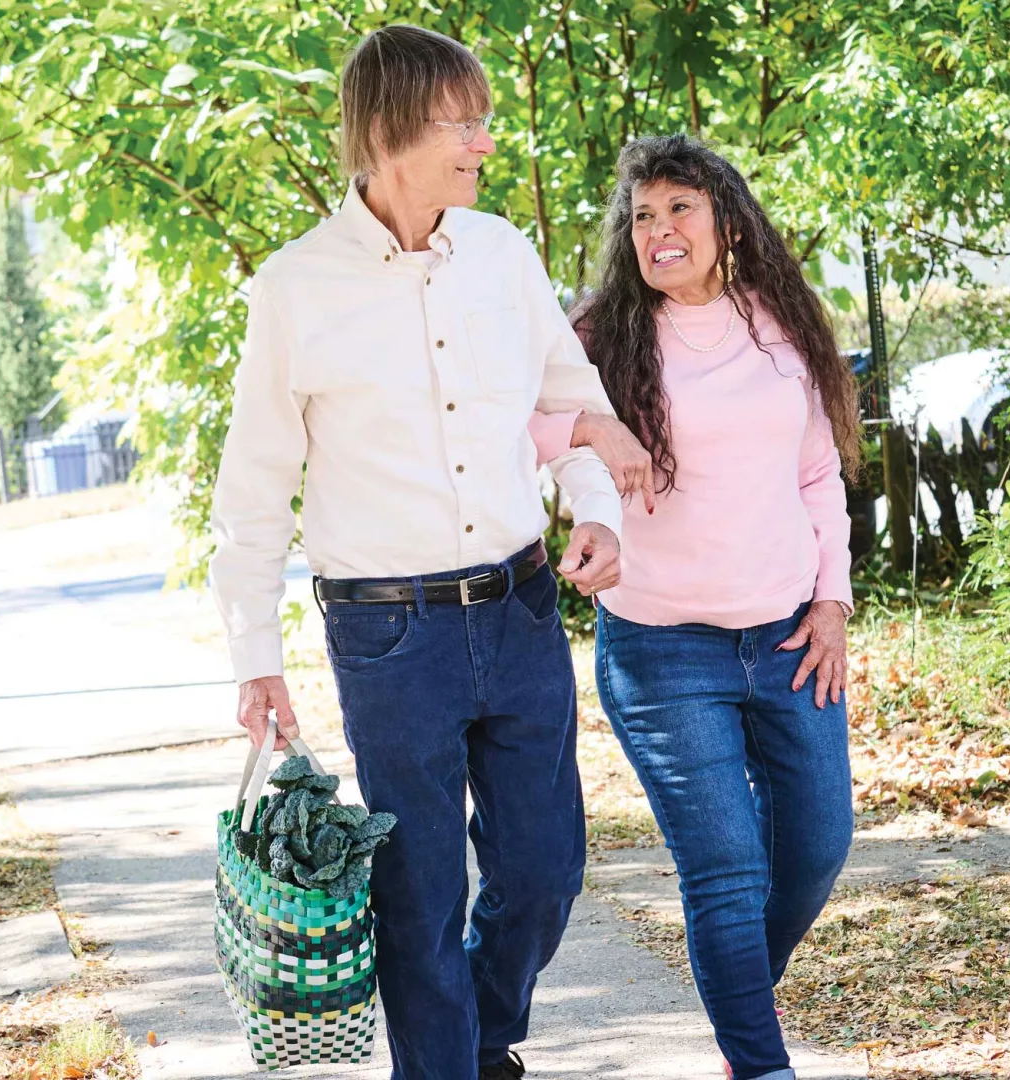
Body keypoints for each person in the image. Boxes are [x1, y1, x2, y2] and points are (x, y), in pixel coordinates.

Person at [207, 25, 634, 1080]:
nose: (484, 142)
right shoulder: (294, 290)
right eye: (464, 121)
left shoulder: (501, 254)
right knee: (422, 888)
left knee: (544, 869)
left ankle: (479, 1042)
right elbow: (255, 486)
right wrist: (253, 651)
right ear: (392, 130)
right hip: (388, 632)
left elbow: (567, 399)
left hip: (522, 605)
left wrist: (598, 511)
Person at [531, 135, 860, 1080]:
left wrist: (833, 601)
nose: (659, 229)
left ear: (726, 221)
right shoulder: (597, 335)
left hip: (792, 634)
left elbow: (817, 475)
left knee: (816, 848)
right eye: (642, 216)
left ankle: (740, 1008)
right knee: (725, 873)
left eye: (679, 208)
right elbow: (521, 424)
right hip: (663, 648)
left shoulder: (781, 326)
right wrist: (586, 470)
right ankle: (761, 1065)